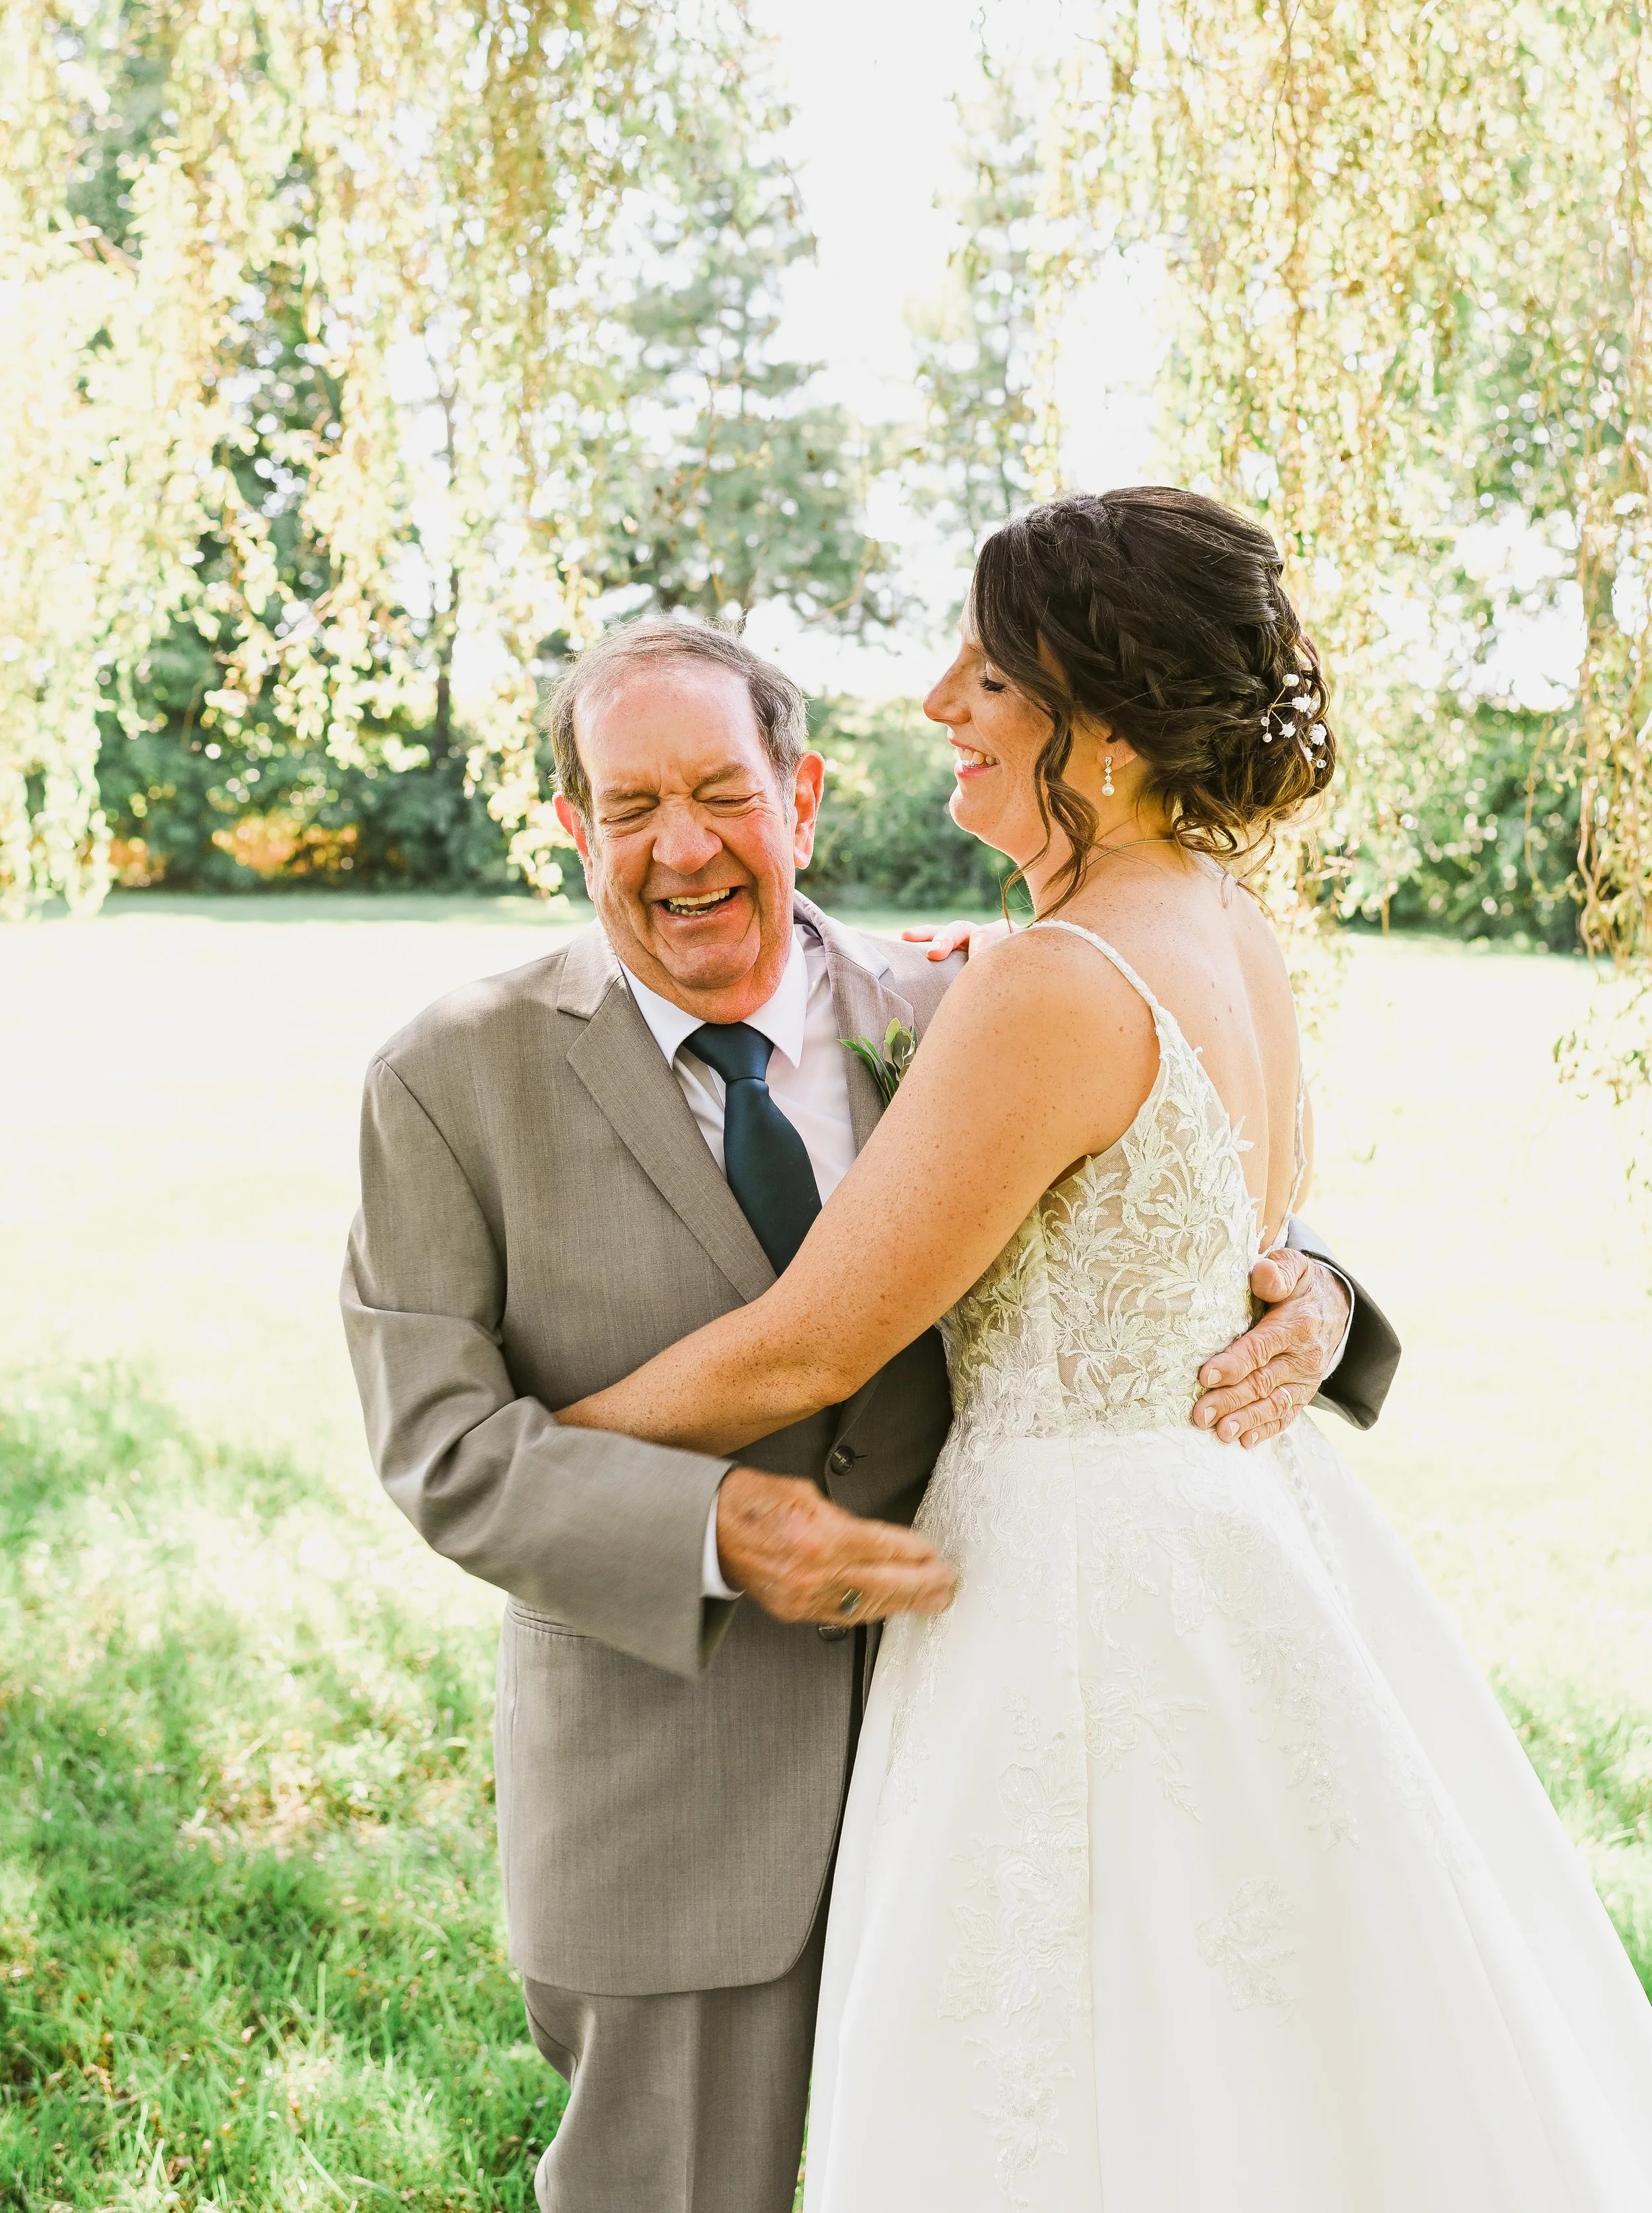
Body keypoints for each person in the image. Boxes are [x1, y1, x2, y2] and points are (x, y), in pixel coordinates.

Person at [558, 492, 1652, 2213]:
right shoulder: (1221, 930)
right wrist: (1312, 1287)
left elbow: (815, 1340)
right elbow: (1238, 1226)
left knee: (1057, 2051)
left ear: (1111, 727)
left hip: (1066, 1592)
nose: (934, 698)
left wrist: (518, 1433)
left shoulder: (1054, 985)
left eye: (988, 673)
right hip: (1245, 1533)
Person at [342, 605, 1396, 2213]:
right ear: (572, 830)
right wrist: (699, 1528)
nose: (678, 849)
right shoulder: (450, 1076)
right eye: (627, 810)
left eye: (719, 795)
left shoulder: (964, 1008)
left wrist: (1312, 1291)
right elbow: (441, 1449)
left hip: (1013, 1756)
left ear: (805, 799)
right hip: (673, 1789)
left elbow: (1175, 1174)